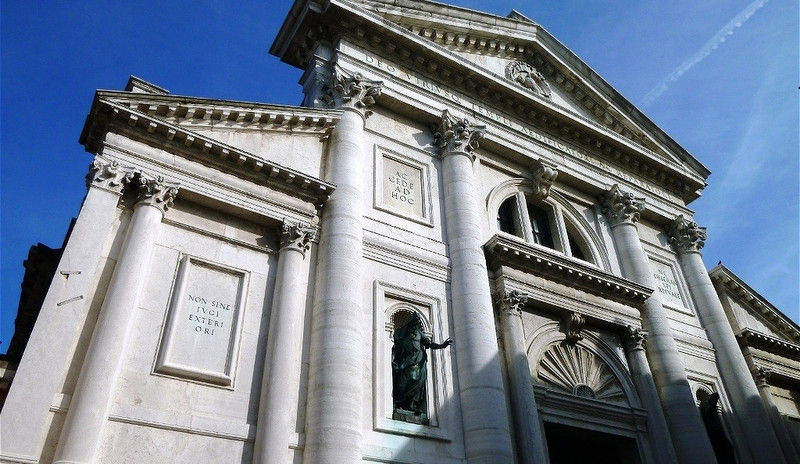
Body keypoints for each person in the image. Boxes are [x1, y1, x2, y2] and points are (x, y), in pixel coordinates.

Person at [391, 313, 452, 418]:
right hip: (405, 363)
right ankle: (399, 403)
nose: (417, 323)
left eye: (417, 322)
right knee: (404, 382)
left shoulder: (419, 334)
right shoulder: (401, 333)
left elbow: (429, 344)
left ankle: (411, 405)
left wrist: (443, 345)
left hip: (419, 362)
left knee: (418, 382)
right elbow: (396, 348)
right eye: (415, 321)